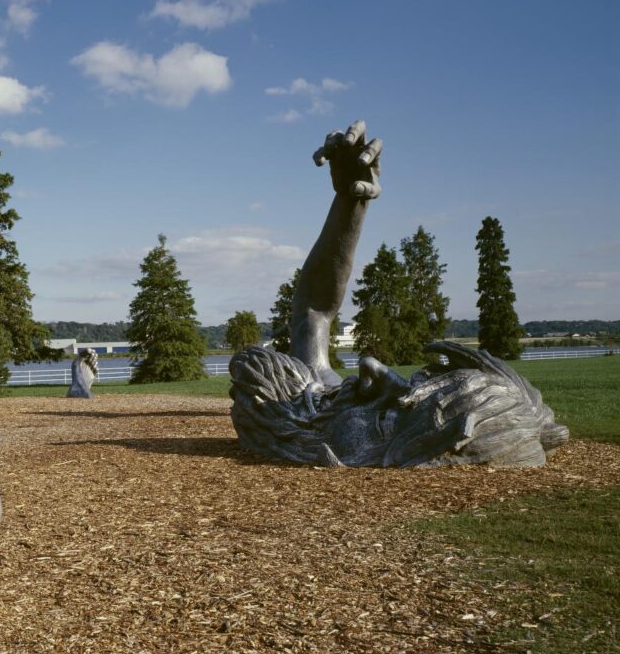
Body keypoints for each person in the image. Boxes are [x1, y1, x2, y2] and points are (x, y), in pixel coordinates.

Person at [230, 121, 567, 468]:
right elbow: (313, 312)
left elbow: (310, 314)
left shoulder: (314, 407)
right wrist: (350, 202)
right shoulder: (325, 400)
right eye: (413, 381)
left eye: (386, 417)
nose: (373, 367)